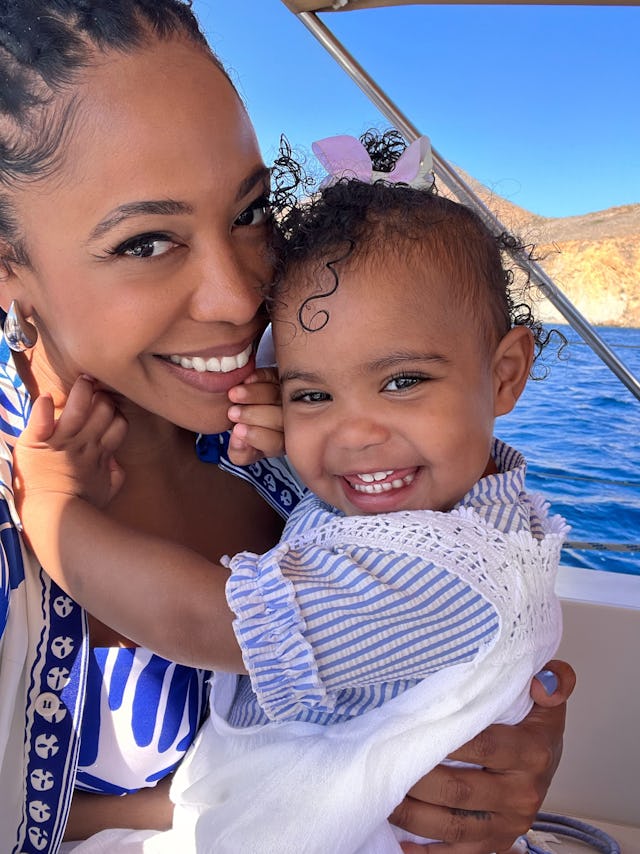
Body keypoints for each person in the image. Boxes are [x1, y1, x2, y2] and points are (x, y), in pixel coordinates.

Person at [14, 130, 571, 853]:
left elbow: (204, 621)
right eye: (145, 240)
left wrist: (54, 512)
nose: (355, 434)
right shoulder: (462, 506)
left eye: (249, 215)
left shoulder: (435, 562)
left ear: (504, 375)